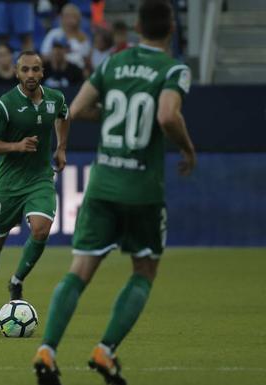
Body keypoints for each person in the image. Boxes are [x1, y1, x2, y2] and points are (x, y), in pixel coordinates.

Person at [32, 1, 197, 384]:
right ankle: (105, 351)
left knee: (81, 269)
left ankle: (47, 350)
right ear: (171, 29)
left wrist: (114, 115)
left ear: (137, 26)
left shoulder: (111, 64)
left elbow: (74, 108)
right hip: (142, 189)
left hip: (103, 183)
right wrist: (187, 149)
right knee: (144, 268)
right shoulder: (174, 69)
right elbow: (168, 115)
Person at [0, 51, 70, 306]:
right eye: (25, 70)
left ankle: (17, 281)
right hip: (8, 183)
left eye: (36, 69)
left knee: (41, 230)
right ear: (17, 73)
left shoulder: (55, 98)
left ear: (43, 72)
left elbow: (64, 115)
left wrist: (61, 147)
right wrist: (16, 146)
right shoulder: (4, 104)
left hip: (40, 177)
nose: (31, 75)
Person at [40, 4, 91, 69]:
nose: (70, 20)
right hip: (56, 69)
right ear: (61, 18)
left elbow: (87, 61)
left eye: (73, 17)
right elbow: (44, 56)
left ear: (78, 19)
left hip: (77, 72)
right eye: (67, 16)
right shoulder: (53, 34)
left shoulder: (83, 37)